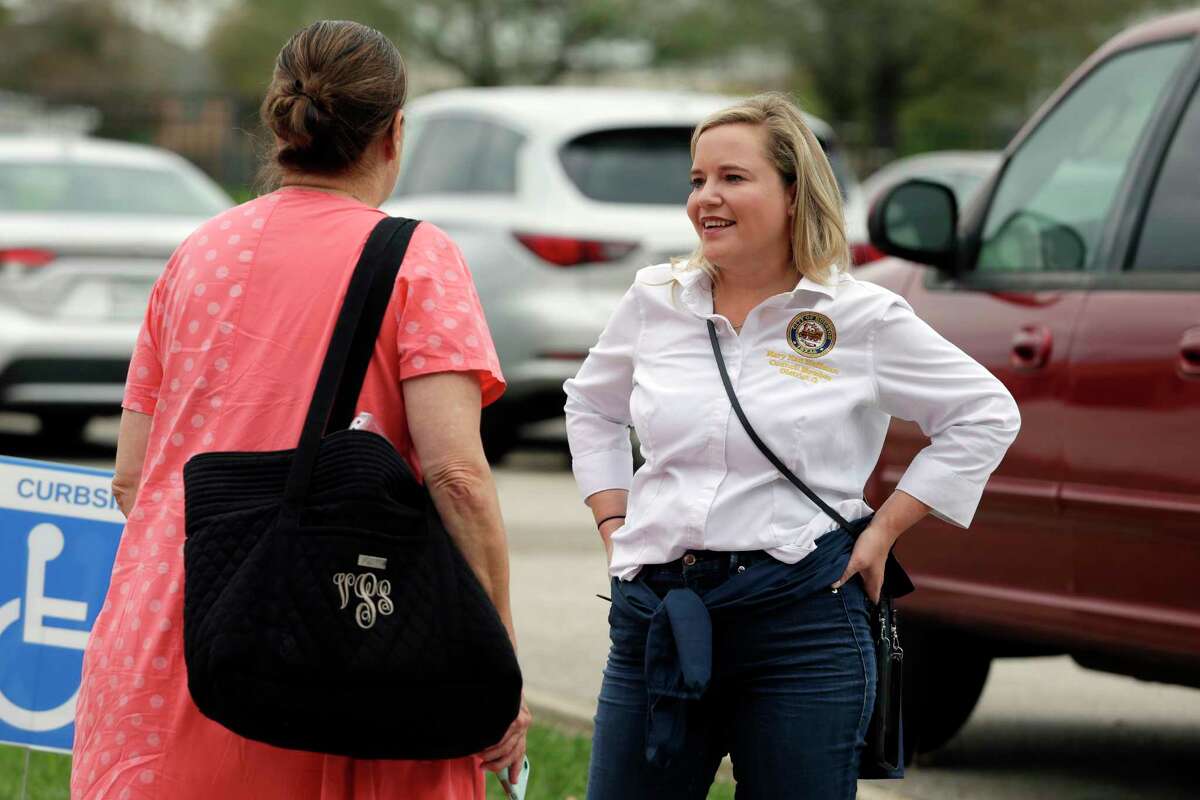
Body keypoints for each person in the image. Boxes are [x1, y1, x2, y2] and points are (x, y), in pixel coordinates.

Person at [71, 20, 530, 800]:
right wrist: (493, 655)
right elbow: (456, 473)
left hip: (171, 640)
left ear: (278, 122)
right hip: (343, 651)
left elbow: (132, 477)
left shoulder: (197, 253)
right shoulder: (418, 258)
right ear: (393, 133)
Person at [564, 92, 1021, 799]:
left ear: (792, 193)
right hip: (659, 609)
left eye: (732, 178)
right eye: (697, 180)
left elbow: (985, 413)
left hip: (801, 622)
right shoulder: (655, 299)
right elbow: (591, 405)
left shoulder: (859, 315)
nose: (705, 198)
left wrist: (886, 529)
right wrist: (612, 521)